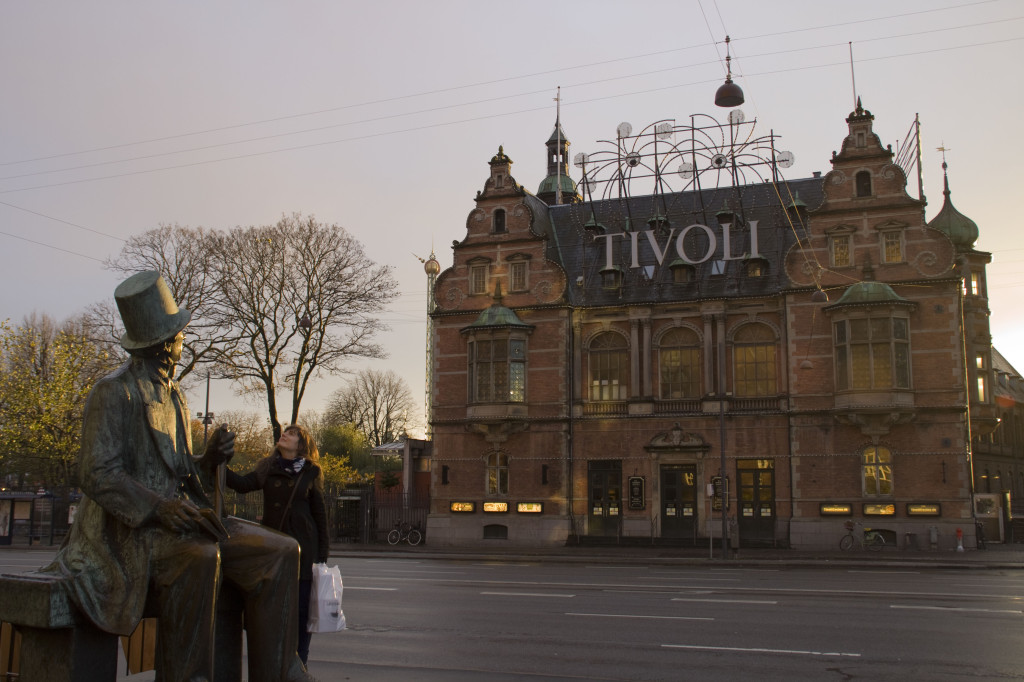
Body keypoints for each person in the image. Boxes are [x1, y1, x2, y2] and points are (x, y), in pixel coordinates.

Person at [45, 270, 318, 682]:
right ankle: (189, 676)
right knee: (201, 557)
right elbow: (98, 474)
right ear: (166, 343)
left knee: (281, 552)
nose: (183, 340)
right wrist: (160, 508)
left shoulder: (172, 393)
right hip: (135, 533)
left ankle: (281, 672)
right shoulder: (114, 392)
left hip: (184, 518)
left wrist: (208, 460)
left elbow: (178, 468)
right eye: (179, 334)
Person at [226, 423, 329, 665]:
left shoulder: (311, 472)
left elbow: (320, 515)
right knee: (273, 611)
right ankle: (275, 663)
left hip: (304, 552)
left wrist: (322, 556)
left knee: (302, 614)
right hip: (276, 549)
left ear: (301, 444)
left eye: (292, 434)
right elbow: (242, 485)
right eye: (285, 432)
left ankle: (299, 664)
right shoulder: (267, 468)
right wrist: (219, 464)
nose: (285, 435)